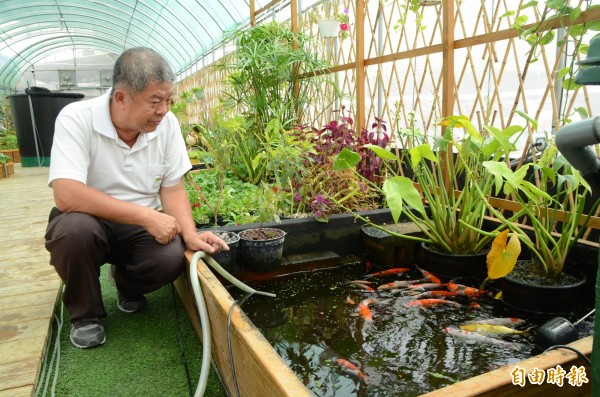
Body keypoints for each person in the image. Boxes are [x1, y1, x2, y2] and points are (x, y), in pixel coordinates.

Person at [44, 47, 228, 349]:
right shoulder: (77, 118)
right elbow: (67, 194)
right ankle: (86, 315)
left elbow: (172, 188)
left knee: (170, 258)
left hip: (138, 230)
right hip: (88, 221)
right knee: (73, 232)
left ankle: (126, 285)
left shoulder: (166, 126)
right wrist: (146, 216)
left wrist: (190, 234)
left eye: (168, 100)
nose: (164, 110)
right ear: (121, 98)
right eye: (155, 101)